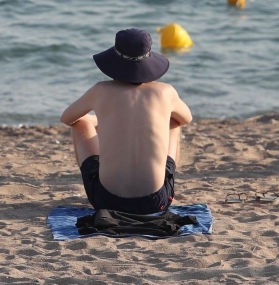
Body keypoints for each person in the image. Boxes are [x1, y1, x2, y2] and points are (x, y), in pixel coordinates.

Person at [61, 28, 192, 214]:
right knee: (173, 122)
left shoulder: (100, 90)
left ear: (114, 61)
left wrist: (100, 119)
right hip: (156, 202)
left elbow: (68, 118)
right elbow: (186, 118)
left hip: (106, 201)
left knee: (81, 124)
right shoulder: (165, 91)